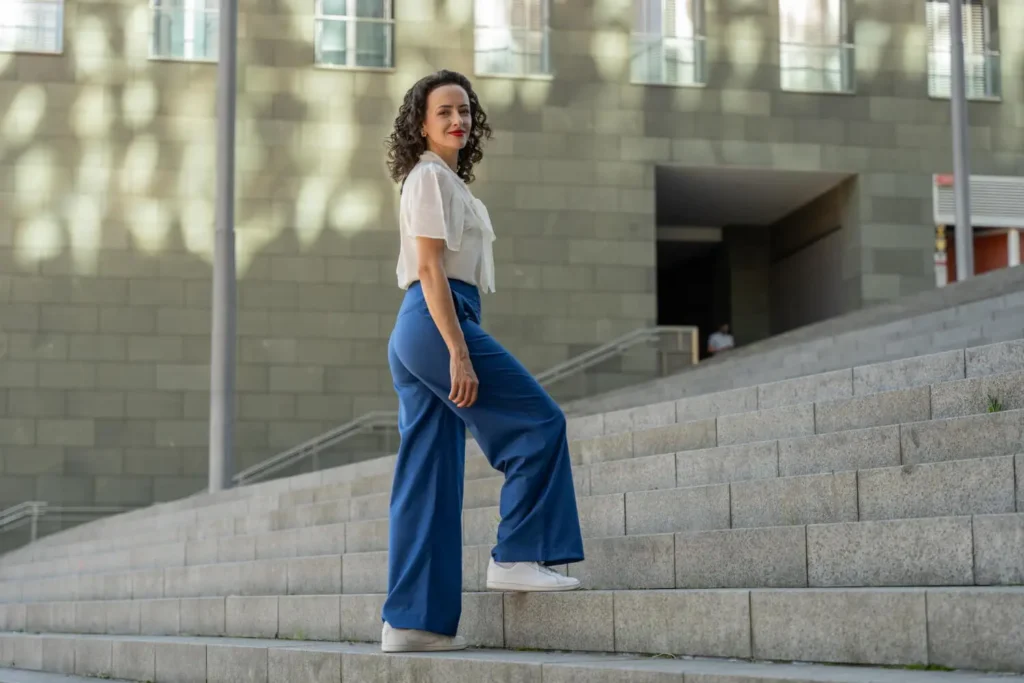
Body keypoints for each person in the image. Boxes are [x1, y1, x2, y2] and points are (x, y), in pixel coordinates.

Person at [379, 69, 585, 654]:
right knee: (539, 423)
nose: (457, 120)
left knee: (429, 474)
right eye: (443, 111)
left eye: (465, 110)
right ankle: (518, 553)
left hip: (433, 324)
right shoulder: (426, 177)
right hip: (435, 322)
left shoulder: (449, 183)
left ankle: (411, 624)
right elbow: (429, 270)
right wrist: (459, 352)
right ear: (420, 123)